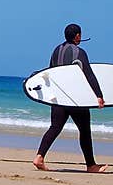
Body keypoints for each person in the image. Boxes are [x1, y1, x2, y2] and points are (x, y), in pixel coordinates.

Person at [33, 23, 108, 173]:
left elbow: (50, 73)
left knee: (54, 127)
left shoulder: (56, 50)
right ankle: (91, 165)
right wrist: (99, 95)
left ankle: (39, 157)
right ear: (78, 36)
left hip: (58, 98)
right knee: (85, 130)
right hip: (75, 99)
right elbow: (89, 75)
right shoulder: (79, 53)